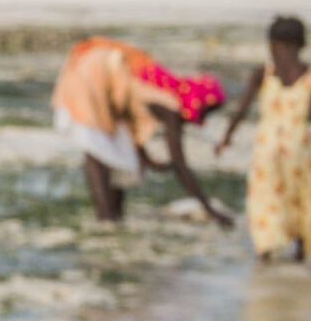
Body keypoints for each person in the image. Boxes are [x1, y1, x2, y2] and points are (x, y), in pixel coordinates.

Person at [51, 37, 233, 227]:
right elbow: (181, 165)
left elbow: (131, 126)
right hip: (95, 73)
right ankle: (106, 219)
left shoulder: (168, 90)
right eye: (205, 112)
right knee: (98, 147)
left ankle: (112, 218)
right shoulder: (171, 109)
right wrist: (211, 211)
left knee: (117, 153)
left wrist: (152, 161)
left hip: (101, 69)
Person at [215, 16, 311, 260]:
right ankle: (300, 247)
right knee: (300, 196)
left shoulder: (264, 73)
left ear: (275, 44)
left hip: (267, 146)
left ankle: (266, 250)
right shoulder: (307, 76)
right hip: (299, 146)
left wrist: (226, 137)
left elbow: (242, 110)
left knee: (265, 196)